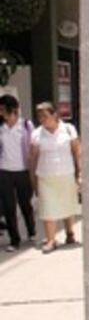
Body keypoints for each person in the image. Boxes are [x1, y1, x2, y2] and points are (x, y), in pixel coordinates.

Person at [29, 102, 81, 253]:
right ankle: (51, 240)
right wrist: (33, 181)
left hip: (66, 174)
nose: (42, 119)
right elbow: (32, 159)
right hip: (45, 177)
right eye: (39, 116)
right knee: (48, 208)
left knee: (67, 205)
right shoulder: (37, 134)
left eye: (45, 116)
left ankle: (70, 233)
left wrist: (80, 173)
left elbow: (77, 152)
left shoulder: (68, 130)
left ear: (54, 115)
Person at [0, 95, 36, 251]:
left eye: (3, 109)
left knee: (25, 204)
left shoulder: (26, 125)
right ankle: (14, 239)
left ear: (13, 109)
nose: (1, 113)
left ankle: (31, 231)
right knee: (9, 207)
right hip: (4, 171)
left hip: (23, 171)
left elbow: (34, 147)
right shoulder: (1, 127)